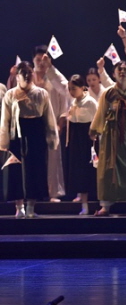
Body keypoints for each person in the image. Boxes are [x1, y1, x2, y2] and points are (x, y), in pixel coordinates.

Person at [0, 62, 59, 217]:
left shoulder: (41, 93)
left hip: (36, 134)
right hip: (16, 135)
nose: (26, 75)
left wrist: (52, 137)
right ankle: (19, 207)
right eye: (23, 73)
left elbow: (49, 117)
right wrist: (3, 142)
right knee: (16, 170)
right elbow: (5, 120)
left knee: (35, 169)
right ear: (17, 76)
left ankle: (31, 207)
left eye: (29, 72)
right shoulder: (10, 94)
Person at [89, 61, 126, 216]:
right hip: (112, 135)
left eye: (124, 69)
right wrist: (94, 130)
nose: (122, 72)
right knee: (108, 169)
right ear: (113, 73)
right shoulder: (108, 93)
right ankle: (106, 206)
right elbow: (101, 113)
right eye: (119, 69)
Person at [32, 48, 69, 201]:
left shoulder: (54, 79)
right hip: (32, 124)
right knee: (34, 159)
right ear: (33, 60)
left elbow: (64, 102)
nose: (41, 63)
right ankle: (34, 193)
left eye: (44, 60)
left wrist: (60, 124)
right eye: (38, 60)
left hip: (52, 124)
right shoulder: (28, 77)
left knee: (53, 160)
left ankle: (53, 193)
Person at [65, 75, 98, 215]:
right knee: (78, 171)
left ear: (82, 87)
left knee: (89, 170)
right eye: (69, 89)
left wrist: (94, 134)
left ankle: (94, 203)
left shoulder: (90, 102)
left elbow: (97, 120)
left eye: (74, 88)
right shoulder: (73, 102)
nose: (71, 91)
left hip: (88, 140)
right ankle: (83, 203)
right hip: (76, 139)